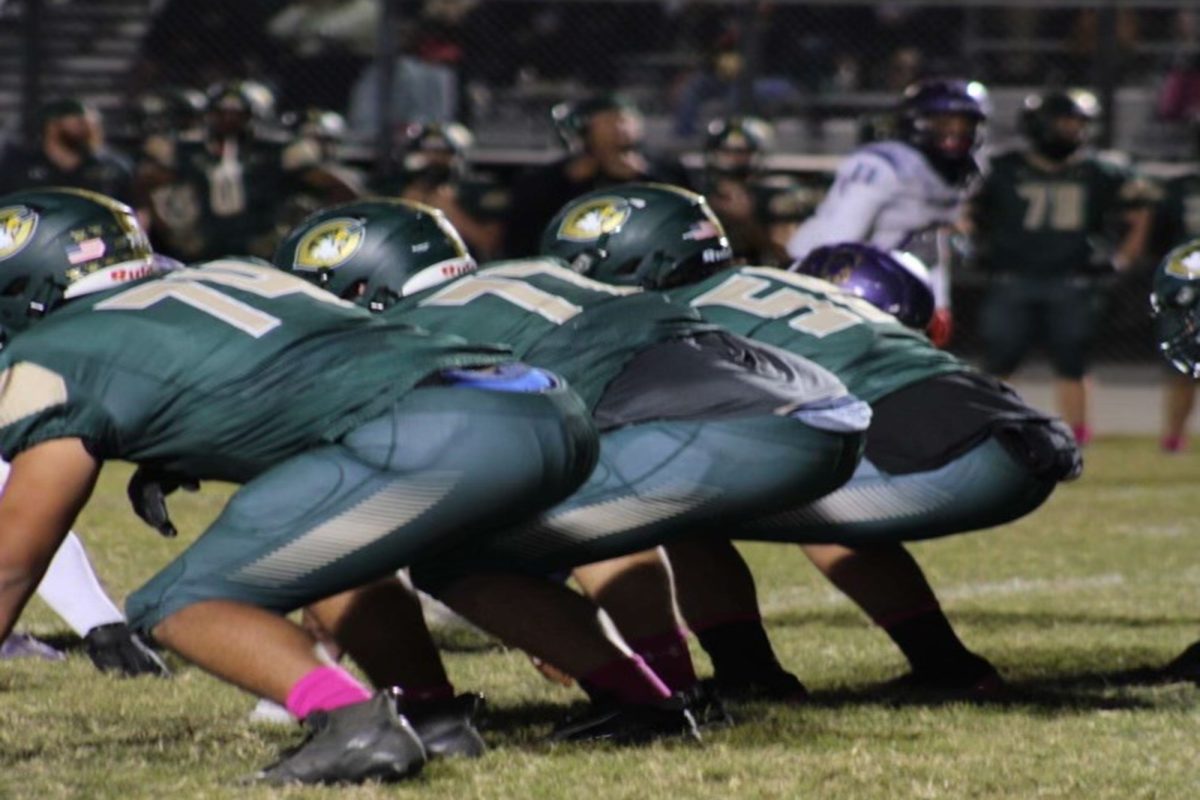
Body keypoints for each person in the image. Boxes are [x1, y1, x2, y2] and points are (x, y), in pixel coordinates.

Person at [0, 187, 598, 785]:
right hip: (541, 404)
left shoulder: (54, 351)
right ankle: (433, 713)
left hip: (430, 433)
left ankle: (352, 720)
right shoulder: (227, 273)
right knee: (336, 555)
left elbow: (13, 561)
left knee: (175, 602)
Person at [274, 190, 870, 739]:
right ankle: (695, 679)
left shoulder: (416, 329)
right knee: (595, 491)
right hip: (823, 413)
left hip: (718, 428)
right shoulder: (527, 276)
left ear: (356, 286)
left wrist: (542, 609)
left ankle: (642, 696)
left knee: (456, 559)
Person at [538, 196, 1081, 699]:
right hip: (1016, 434)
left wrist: (554, 582)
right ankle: (951, 667)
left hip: (931, 449)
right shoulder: (777, 281)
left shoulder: (664, 314)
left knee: (678, 504)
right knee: (816, 494)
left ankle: (749, 675)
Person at [973, 89, 1155, 445]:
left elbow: (1142, 209)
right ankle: (987, 431)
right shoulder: (1002, 168)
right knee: (998, 361)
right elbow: (963, 210)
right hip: (1014, 275)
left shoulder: (1100, 170)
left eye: (1077, 124)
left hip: (1071, 278)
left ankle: (1077, 435)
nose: (1071, 131)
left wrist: (1123, 258)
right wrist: (968, 243)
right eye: (1064, 123)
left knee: (1073, 361)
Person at [786, 78, 989, 348]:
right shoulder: (885, 165)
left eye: (964, 124)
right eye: (944, 122)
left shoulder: (955, 170)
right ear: (917, 121)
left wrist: (939, 302)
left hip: (890, 284)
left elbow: (929, 245)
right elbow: (835, 242)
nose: (956, 132)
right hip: (840, 280)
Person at [134, 80, 359, 262]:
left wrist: (305, 232)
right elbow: (145, 186)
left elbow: (334, 187)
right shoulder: (188, 151)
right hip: (203, 249)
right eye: (222, 113)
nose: (228, 120)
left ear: (254, 116)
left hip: (261, 250)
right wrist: (171, 233)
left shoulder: (276, 152)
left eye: (237, 114)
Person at [503, 93, 682, 258]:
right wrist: (570, 181)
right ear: (585, 129)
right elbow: (524, 227)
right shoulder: (556, 177)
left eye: (625, 121)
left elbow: (685, 210)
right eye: (608, 121)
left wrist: (646, 177)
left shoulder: (663, 171)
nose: (619, 129)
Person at [375, 122, 507, 260]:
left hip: (462, 267)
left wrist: (450, 211)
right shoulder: (395, 189)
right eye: (429, 153)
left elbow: (490, 244)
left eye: (443, 153)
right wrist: (405, 209)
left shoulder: (477, 190)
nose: (435, 159)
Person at [697, 116, 817, 267]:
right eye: (726, 151)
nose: (733, 158)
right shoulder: (699, 198)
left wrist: (747, 223)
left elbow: (788, 257)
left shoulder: (775, 197)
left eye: (742, 152)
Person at [1150, 155, 1200, 452]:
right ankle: (1173, 436)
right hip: (1190, 287)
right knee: (1183, 364)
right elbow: (1162, 236)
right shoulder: (1180, 187)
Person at [0, 99, 137, 206]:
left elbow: (135, 214)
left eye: (94, 124)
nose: (91, 131)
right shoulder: (18, 167)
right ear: (52, 126)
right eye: (80, 123)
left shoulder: (114, 167)